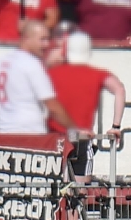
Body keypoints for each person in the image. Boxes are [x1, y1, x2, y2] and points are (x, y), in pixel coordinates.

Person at [48, 30, 126, 175]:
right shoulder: (97, 74)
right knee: (80, 187)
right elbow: (119, 89)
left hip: (55, 138)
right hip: (82, 138)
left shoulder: (52, 74)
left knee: (54, 186)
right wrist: (116, 126)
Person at [0, 19, 77, 135]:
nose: (46, 44)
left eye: (48, 39)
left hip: (5, 133)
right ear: (26, 38)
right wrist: (75, 129)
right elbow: (52, 106)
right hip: (30, 135)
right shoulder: (31, 63)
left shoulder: (1, 62)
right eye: (42, 39)